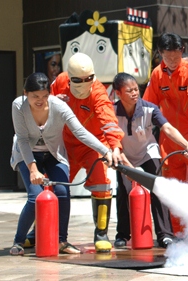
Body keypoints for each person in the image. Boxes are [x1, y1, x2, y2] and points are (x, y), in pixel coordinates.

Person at [9, 72, 113, 256]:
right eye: (34, 97)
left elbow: (80, 132)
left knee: (63, 193)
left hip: (53, 154)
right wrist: (33, 169)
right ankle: (18, 241)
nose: (39, 101)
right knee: (35, 197)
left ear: (50, 93)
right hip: (27, 154)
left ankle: (61, 241)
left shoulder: (59, 106)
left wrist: (105, 151)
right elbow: (23, 140)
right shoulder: (18, 106)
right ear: (26, 93)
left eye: (44, 96)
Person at [51, 52, 126, 253]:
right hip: (66, 144)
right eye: (79, 80)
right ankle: (41, 232)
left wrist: (115, 147)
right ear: (70, 77)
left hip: (93, 145)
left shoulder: (98, 93)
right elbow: (45, 102)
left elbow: (108, 120)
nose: (84, 83)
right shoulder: (60, 82)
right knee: (53, 188)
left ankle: (101, 233)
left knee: (102, 183)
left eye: (88, 79)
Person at [142, 32, 188, 233]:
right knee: (173, 184)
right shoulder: (157, 74)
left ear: (182, 52)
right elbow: (148, 104)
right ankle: (177, 231)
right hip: (169, 137)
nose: (173, 61)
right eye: (168, 57)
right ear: (160, 54)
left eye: (176, 56)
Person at [112, 72, 188, 248]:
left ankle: (164, 234)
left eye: (136, 89)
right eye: (129, 91)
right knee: (124, 190)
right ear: (118, 93)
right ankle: (123, 234)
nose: (135, 93)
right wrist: (126, 165)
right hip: (124, 155)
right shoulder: (111, 112)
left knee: (158, 186)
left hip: (147, 152)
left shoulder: (149, 109)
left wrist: (187, 146)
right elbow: (109, 139)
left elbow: (167, 128)